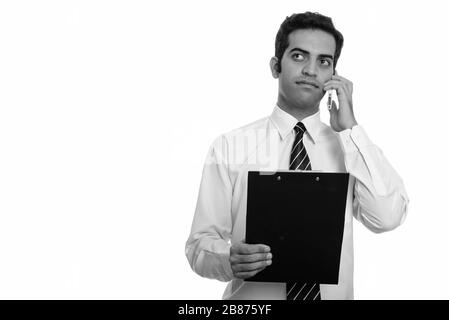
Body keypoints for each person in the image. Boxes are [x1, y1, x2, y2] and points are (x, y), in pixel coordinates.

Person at [185, 12, 409, 300]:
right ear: (276, 66)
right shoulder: (230, 146)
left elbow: (387, 217)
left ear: (334, 75)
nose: (311, 71)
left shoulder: (349, 149)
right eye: (299, 56)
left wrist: (350, 130)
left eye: (324, 61)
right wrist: (227, 258)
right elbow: (199, 245)